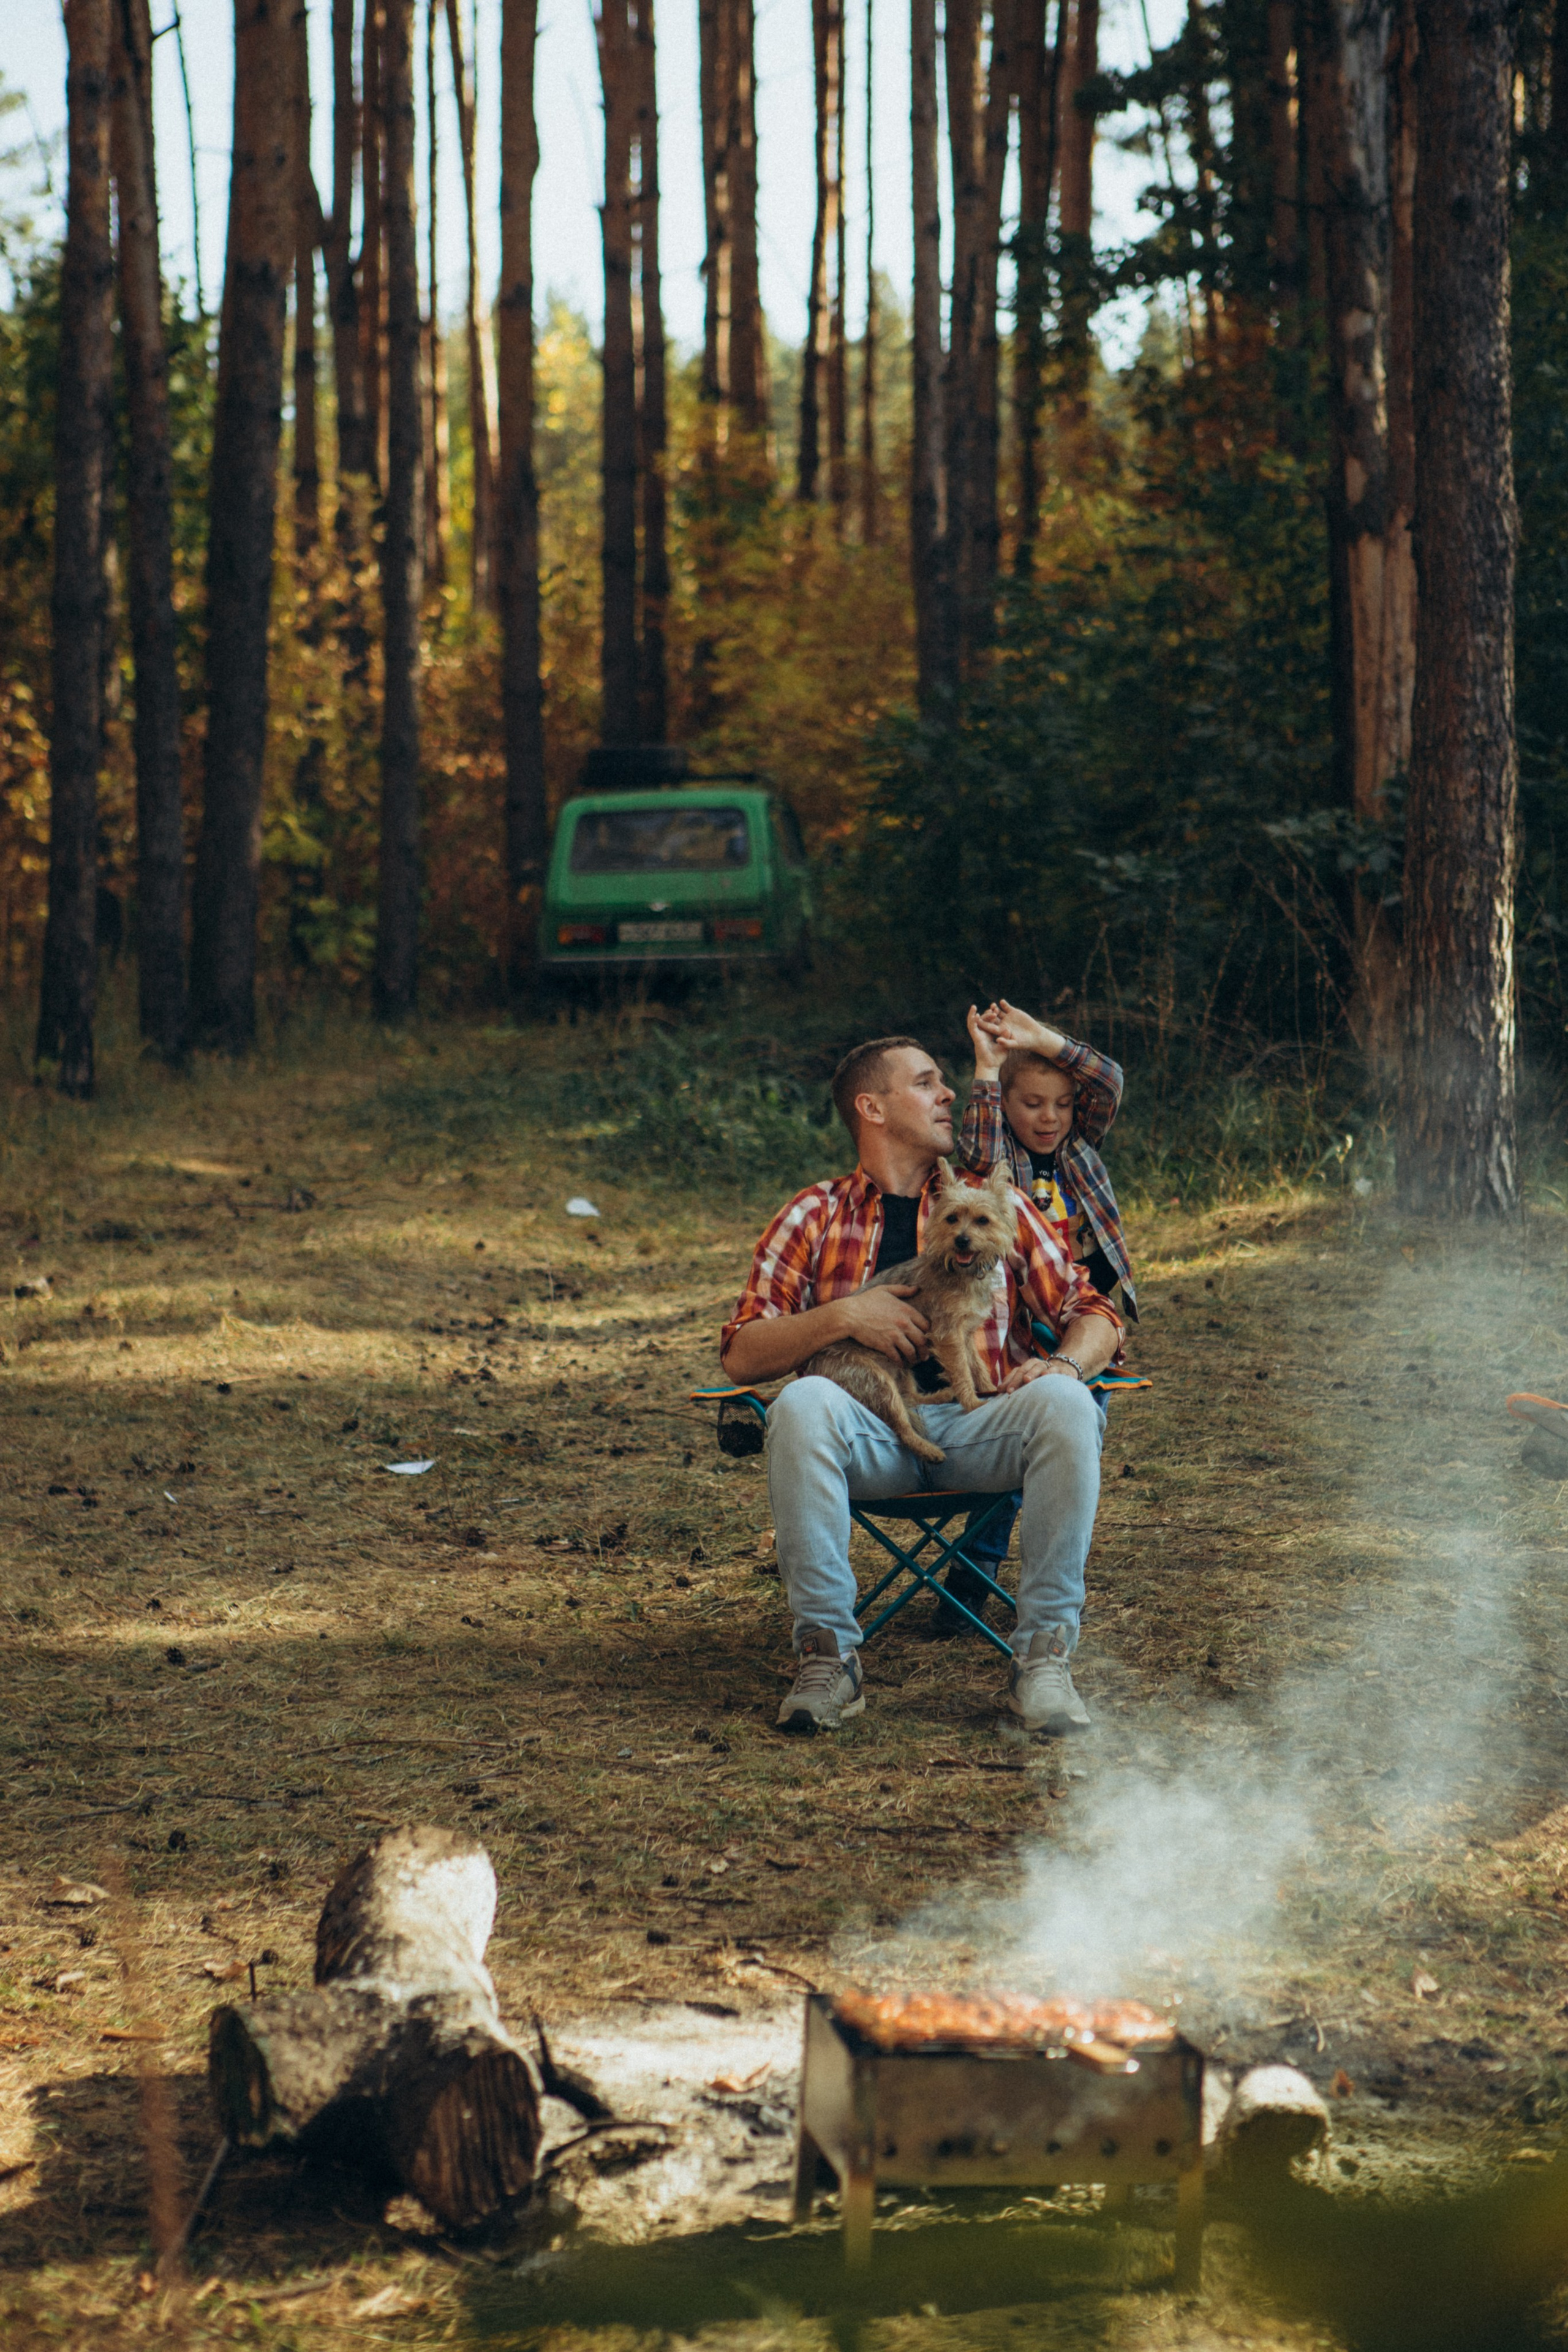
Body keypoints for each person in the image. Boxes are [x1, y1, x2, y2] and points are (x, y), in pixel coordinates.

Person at [720, 1035, 1125, 1738]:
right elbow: (741, 1353)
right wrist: (843, 1314)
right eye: (927, 1082)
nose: (949, 1095)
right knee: (802, 1401)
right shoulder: (813, 1214)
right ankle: (827, 1656)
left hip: (979, 1429)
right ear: (871, 1108)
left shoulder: (998, 1206)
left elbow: (1095, 1314)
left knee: (1066, 1399)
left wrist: (1064, 1364)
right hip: (869, 1437)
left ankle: (1044, 1659)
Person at [940, 1000, 1139, 1629]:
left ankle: (1044, 1562)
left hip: (1085, 1314)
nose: (1049, 1118)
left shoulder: (1079, 1146)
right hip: (1025, 1314)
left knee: (1072, 1433)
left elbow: (1107, 1080)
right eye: (1031, 1104)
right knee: (1030, 1442)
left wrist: (1044, 1040)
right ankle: (972, 1577)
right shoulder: (1002, 1159)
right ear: (1007, 1106)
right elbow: (973, 1142)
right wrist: (987, 1064)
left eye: (1060, 1104)